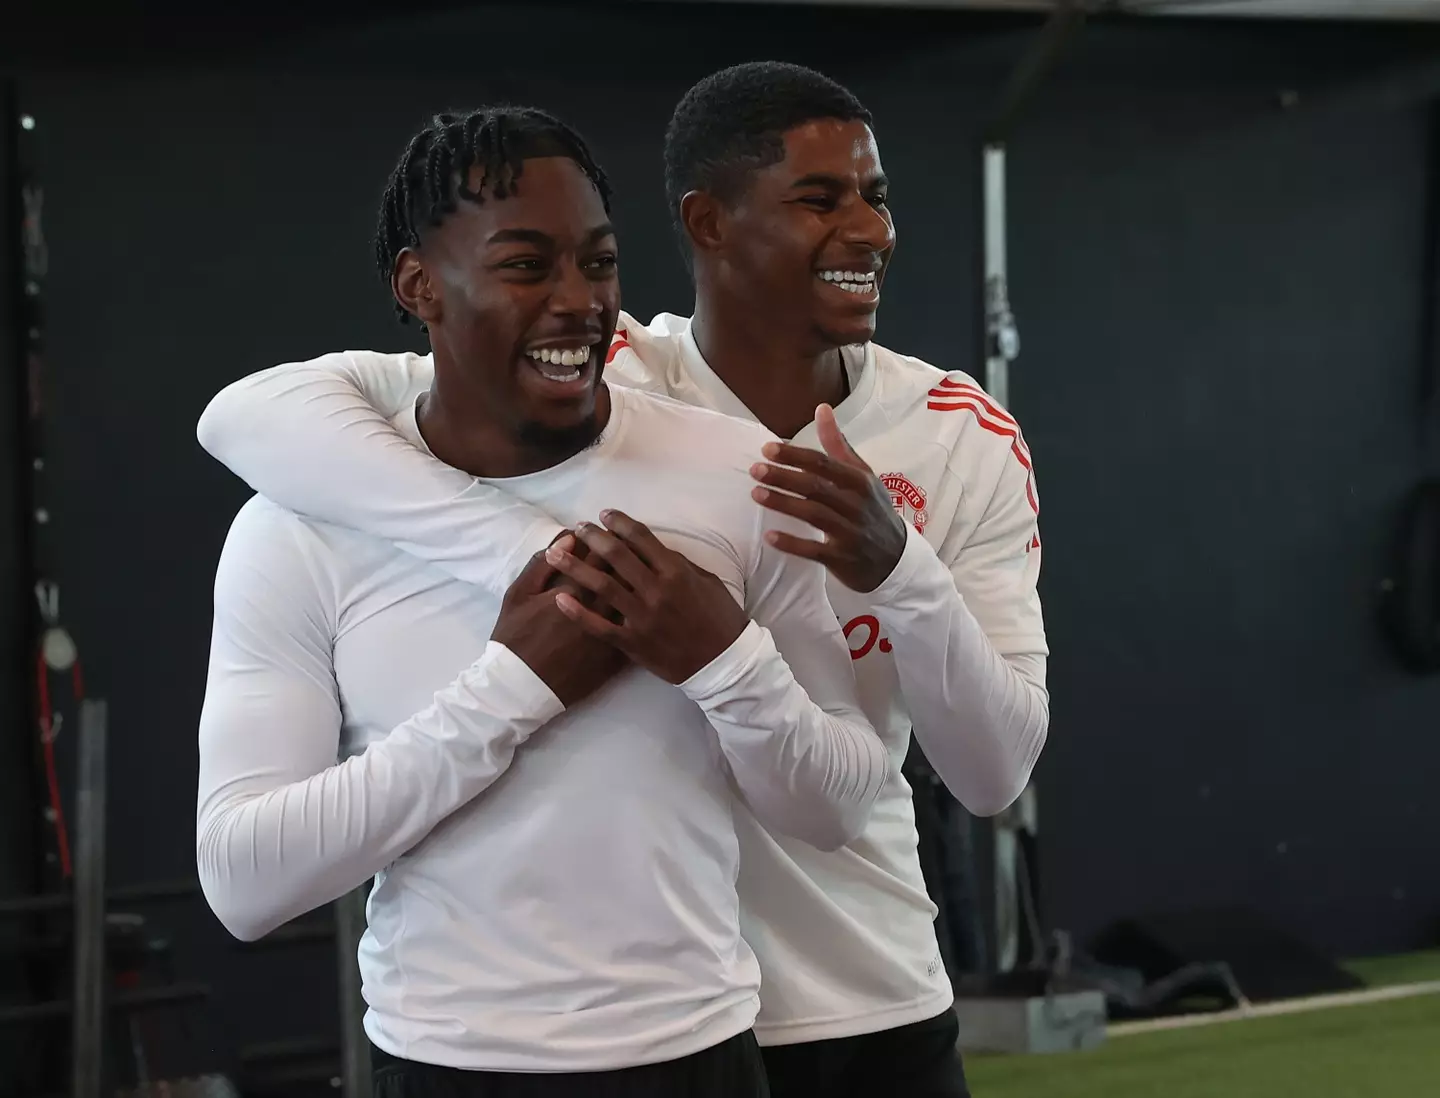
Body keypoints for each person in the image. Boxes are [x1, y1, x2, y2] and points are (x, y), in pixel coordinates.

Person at [197, 63, 1050, 1098]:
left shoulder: (933, 441)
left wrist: (898, 574)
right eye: (821, 200)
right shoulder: (598, 369)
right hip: (586, 1034)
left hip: (853, 992)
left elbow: (985, 777)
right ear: (709, 223)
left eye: (876, 197)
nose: (870, 231)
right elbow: (251, 413)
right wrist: (527, 566)